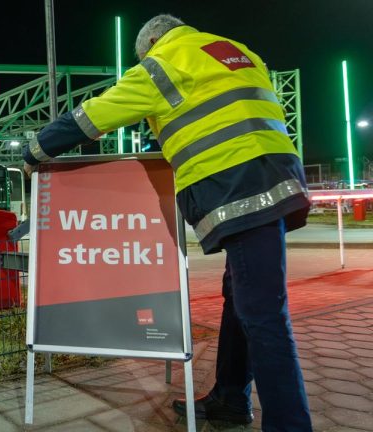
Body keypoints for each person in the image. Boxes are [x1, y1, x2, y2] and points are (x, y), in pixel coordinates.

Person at [22, 14, 312, 431]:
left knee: (264, 315)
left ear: (153, 41)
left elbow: (89, 118)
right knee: (242, 298)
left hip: (237, 188)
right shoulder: (236, 50)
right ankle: (230, 398)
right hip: (280, 181)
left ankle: (290, 424)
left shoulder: (159, 66)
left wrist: (34, 152)